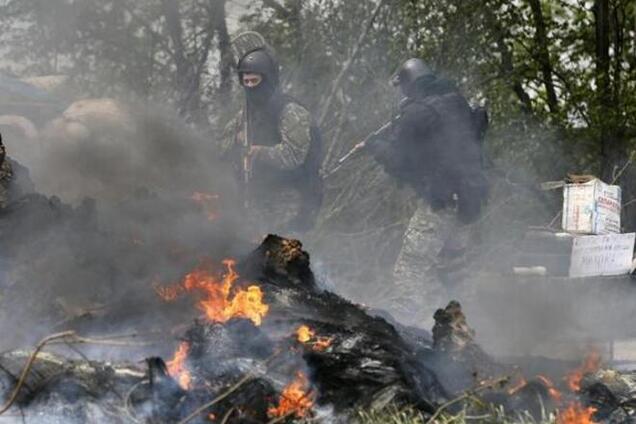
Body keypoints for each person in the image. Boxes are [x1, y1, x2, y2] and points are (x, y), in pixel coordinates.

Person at [369, 58, 489, 326]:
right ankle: (461, 329)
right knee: (455, 270)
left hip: (441, 201)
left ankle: (401, 326)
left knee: (411, 266)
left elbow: (400, 162)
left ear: (410, 84)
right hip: (468, 202)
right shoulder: (456, 102)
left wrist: (374, 146)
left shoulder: (419, 112)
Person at [219, 46, 322, 237]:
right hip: (259, 198)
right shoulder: (246, 115)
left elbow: (294, 155)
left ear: (267, 80)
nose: (250, 86)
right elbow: (222, 145)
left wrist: (260, 152)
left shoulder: (290, 111)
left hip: (292, 200)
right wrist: (237, 140)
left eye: (254, 81)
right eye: (246, 81)